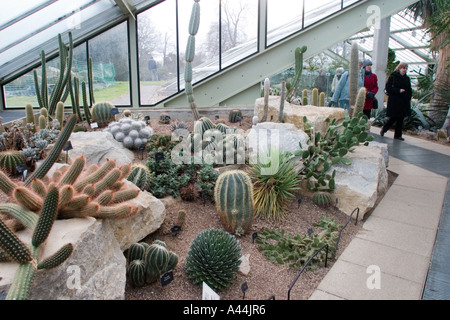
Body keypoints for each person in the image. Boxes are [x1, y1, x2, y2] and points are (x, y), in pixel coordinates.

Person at [380, 62, 412, 141]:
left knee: (401, 118)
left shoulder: (407, 78)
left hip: (403, 101)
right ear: (399, 68)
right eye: (403, 68)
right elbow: (388, 88)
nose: (404, 70)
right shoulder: (393, 76)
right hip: (395, 100)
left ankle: (398, 135)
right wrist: (398, 90)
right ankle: (385, 128)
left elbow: (409, 89)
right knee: (394, 117)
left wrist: (408, 96)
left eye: (405, 68)